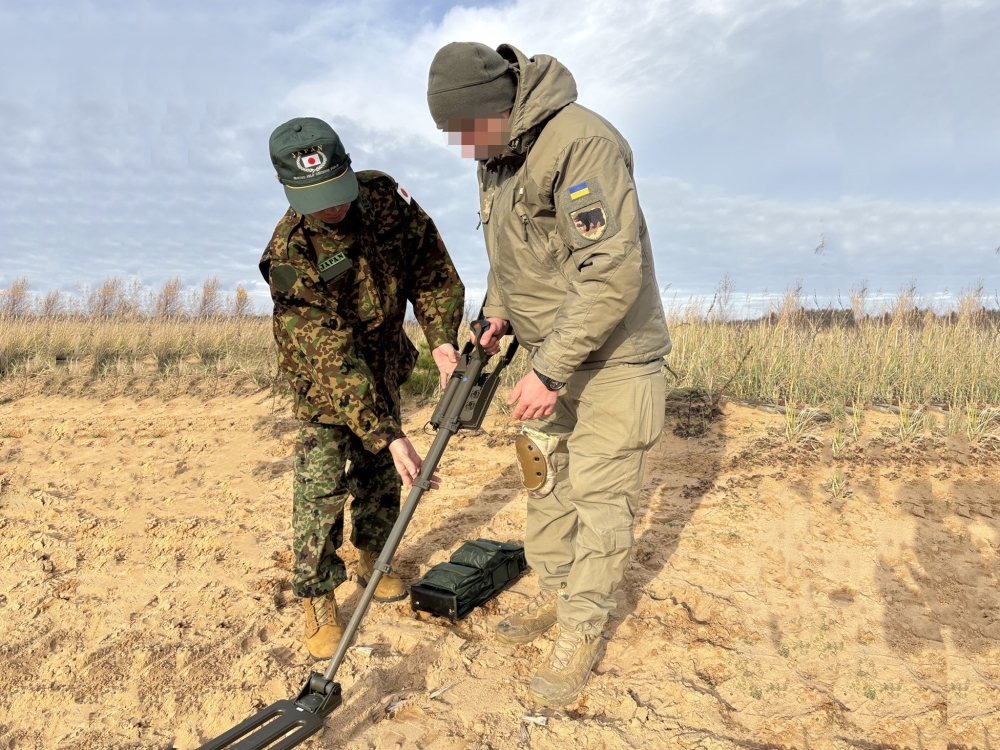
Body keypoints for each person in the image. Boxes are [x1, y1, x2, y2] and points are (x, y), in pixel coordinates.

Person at [426, 43, 671, 706]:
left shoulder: (581, 144)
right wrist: (495, 319)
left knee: (598, 502)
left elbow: (611, 271)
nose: (463, 147)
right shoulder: (496, 158)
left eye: (466, 131)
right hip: (548, 359)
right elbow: (516, 260)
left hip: (613, 364)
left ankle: (582, 633)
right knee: (546, 489)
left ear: (499, 108)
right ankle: (561, 600)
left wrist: (549, 371)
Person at [260, 117, 465, 660]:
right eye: (317, 199)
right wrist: (390, 433)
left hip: (383, 364)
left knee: (379, 477)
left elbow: (434, 270)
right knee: (322, 490)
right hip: (328, 384)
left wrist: (442, 338)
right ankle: (318, 595)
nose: (333, 207)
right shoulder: (290, 254)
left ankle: (373, 555)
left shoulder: (383, 198)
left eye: (337, 190)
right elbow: (332, 359)